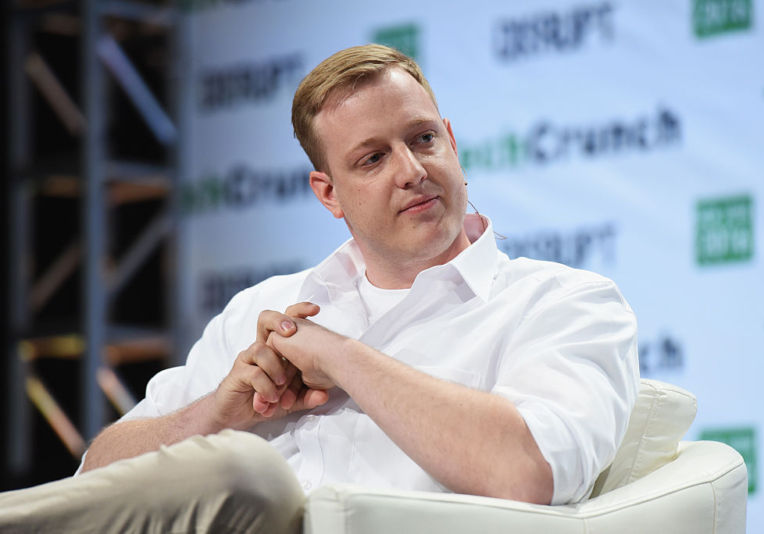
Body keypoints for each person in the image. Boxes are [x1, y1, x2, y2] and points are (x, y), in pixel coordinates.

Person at [0, 44, 639, 532]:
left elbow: (526, 472)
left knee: (244, 475)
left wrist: (337, 354)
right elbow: (93, 484)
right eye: (373, 158)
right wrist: (217, 413)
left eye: (424, 139)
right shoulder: (262, 308)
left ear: (451, 140)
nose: (413, 171)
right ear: (328, 193)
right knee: (222, 466)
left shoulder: (565, 303)